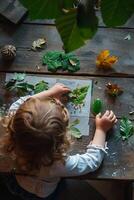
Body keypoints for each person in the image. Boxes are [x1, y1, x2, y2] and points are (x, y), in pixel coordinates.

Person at [0, 83, 117, 200]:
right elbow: (92, 161)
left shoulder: (11, 123)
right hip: (40, 192)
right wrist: (101, 129)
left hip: (15, 179)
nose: (58, 103)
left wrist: (49, 93)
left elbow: (20, 104)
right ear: (60, 139)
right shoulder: (56, 165)